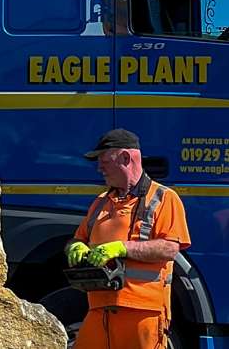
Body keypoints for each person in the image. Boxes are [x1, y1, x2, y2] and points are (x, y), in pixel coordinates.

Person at [67, 129, 190, 349]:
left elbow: (169, 248)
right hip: (99, 310)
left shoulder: (164, 198)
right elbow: (78, 240)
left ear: (125, 158)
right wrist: (74, 246)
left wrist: (121, 248)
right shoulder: (101, 202)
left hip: (143, 313)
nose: (99, 168)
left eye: (104, 160)